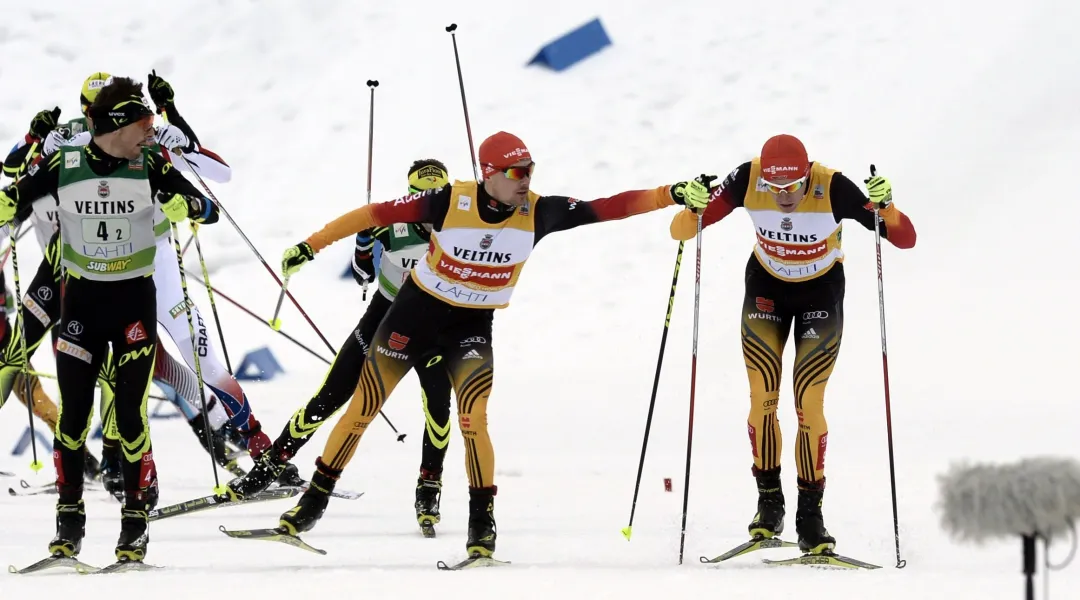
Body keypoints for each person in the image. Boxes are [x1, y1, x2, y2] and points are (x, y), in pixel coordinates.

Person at [267, 131, 710, 559]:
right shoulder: (446, 201)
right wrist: (312, 245)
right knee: (363, 407)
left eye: (530, 170)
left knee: (473, 418)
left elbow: (608, 207)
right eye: (517, 173)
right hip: (413, 314)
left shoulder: (539, 211)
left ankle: (482, 524)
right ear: (489, 174)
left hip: (469, 326)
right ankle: (311, 506)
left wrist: (670, 193)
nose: (526, 180)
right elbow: (371, 214)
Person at [0, 76, 219, 563]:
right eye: (143, 122)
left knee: (128, 418)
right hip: (79, 309)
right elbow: (14, 197)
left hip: (132, 308)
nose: (150, 130)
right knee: (73, 421)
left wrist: (189, 205)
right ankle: (69, 523)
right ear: (117, 124)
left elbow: (210, 208)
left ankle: (134, 525)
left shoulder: (151, 162)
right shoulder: (67, 162)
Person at [668, 134, 917, 555]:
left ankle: (810, 516)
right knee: (763, 397)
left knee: (809, 402)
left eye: (793, 186)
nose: (783, 197)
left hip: (820, 295)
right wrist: (693, 206)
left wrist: (886, 207)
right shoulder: (748, 178)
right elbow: (681, 232)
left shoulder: (833, 186)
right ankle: (769, 505)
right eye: (775, 187)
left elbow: (905, 239)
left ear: (808, 174)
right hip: (766, 290)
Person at [225, 159, 455, 536]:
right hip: (384, 317)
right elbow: (363, 273)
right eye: (421, 197)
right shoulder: (391, 222)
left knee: (439, 411)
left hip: (433, 326)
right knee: (328, 399)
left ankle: (428, 490)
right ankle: (268, 467)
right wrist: (364, 242)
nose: (429, 207)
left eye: (437, 197)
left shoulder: (459, 230)